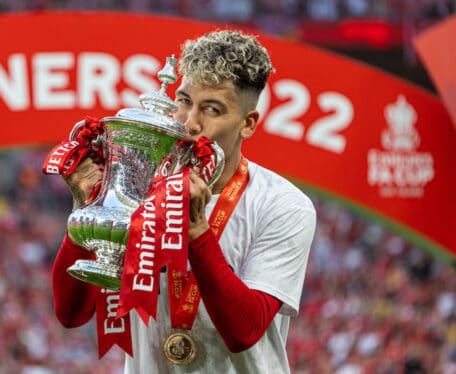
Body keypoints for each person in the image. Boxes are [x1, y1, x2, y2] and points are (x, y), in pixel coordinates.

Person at [51, 29, 316, 373]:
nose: (189, 123)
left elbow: (244, 330)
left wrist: (197, 232)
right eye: (184, 101)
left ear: (247, 124)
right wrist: (93, 205)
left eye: (212, 109)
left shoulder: (282, 205)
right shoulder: (138, 188)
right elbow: (71, 314)